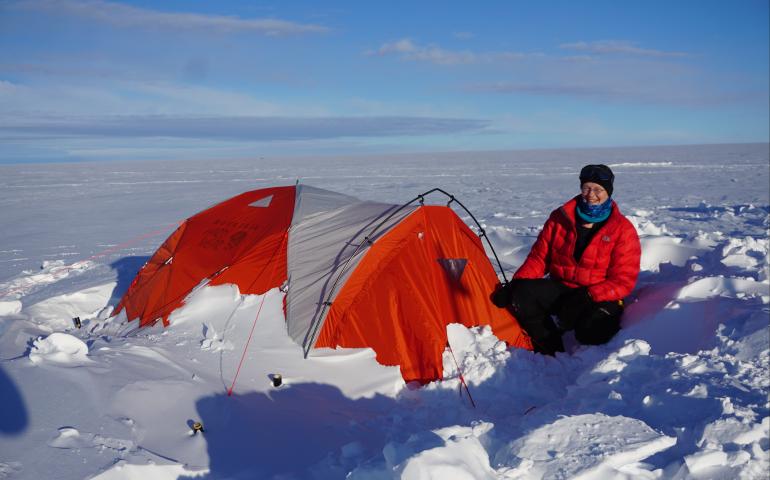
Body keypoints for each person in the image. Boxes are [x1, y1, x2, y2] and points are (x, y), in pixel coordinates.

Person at [491, 164, 641, 355]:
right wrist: (516, 284)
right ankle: (549, 347)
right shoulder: (560, 218)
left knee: (592, 332)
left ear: (608, 192)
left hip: (598, 295)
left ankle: (581, 337)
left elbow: (623, 280)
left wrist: (588, 296)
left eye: (598, 189)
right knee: (523, 294)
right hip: (562, 287)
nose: (591, 194)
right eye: (586, 188)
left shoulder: (622, 229)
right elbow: (539, 258)